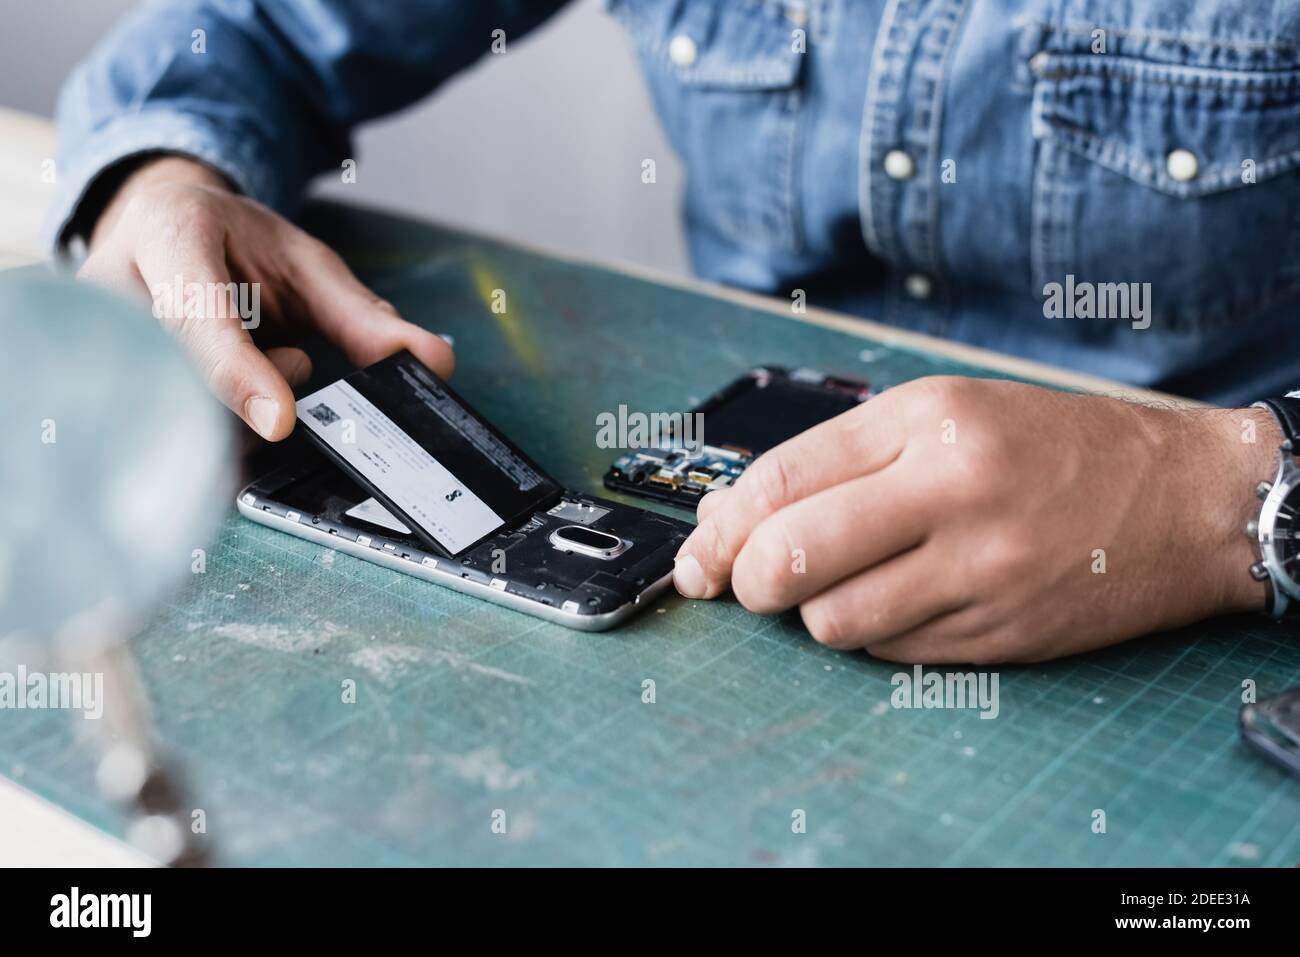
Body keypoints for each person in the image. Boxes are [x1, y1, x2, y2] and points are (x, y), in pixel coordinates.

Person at [51, 1, 1299, 662]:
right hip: (739, 552)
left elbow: (1232, 495)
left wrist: (1224, 498)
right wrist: (158, 181)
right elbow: (251, 28)